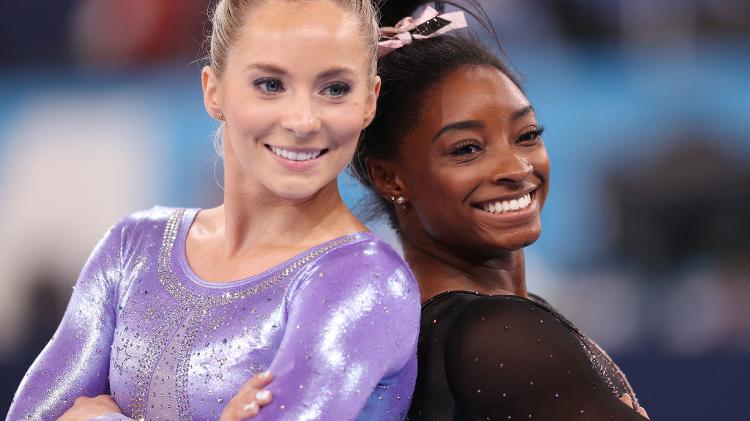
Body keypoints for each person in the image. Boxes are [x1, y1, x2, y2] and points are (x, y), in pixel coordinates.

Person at [6, 0, 421, 420]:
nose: (303, 120)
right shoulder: (133, 246)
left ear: (369, 101)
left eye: (335, 89)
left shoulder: (363, 280)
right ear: (214, 90)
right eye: (270, 84)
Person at [350, 2, 651, 420]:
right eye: (467, 149)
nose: (517, 168)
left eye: (527, 135)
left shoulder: (463, 325)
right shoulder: (498, 334)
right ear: (389, 177)